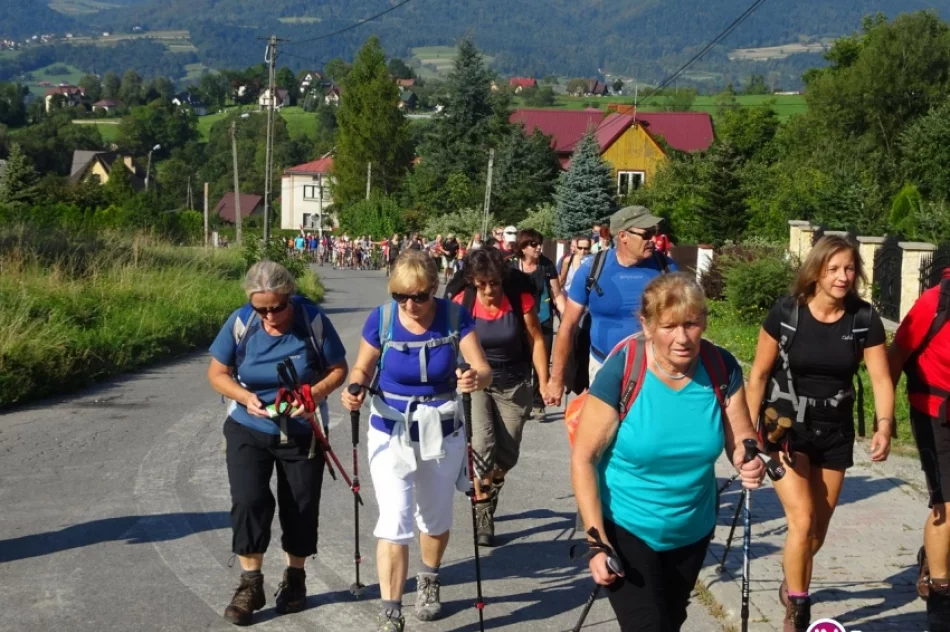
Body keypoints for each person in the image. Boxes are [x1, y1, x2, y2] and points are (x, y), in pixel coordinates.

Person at [572, 272, 765, 631]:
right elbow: (584, 458)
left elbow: (742, 438)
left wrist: (748, 460)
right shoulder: (623, 371)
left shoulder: (721, 368)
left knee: (670, 622)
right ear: (646, 326)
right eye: (669, 326)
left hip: (691, 529)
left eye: (691, 324)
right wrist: (596, 541)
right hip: (626, 526)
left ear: (704, 322)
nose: (682, 338)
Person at [745, 235, 893, 632]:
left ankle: (792, 580)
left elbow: (880, 379)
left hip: (836, 430)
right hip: (786, 429)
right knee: (803, 519)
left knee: (817, 532)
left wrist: (884, 426)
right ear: (816, 271)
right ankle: (798, 609)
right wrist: (749, 435)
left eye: (849, 269)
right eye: (833, 269)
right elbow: (758, 374)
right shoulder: (787, 313)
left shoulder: (863, 318)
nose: (843, 277)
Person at [341, 250, 492, 632]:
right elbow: (363, 365)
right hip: (390, 429)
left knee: (436, 517)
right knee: (394, 519)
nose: (410, 305)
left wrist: (474, 378)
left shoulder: (455, 317)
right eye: (401, 296)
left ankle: (429, 577)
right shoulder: (383, 319)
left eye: (419, 297)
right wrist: (354, 387)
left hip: (440, 430)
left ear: (435, 288)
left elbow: (483, 369)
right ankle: (391, 611)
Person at [206, 261, 348, 626]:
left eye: (277, 307)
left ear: (290, 297)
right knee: (249, 501)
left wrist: (313, 395)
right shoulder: (242, 322)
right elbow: (216, 373)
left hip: (301, 430)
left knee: (299, 505)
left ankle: (295, 579)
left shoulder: (312, 321)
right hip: (248, 426)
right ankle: (250, 585)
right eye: (261, 309)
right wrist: (242, 395)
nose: (269, 316)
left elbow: (339, 369)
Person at [452, 248, 550, 546]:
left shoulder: (519, 299)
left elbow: (536, 339)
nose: (489, 290)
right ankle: (483, 511)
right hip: (478, 382)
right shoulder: (462, 303)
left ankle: (492, 486)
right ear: (472, 282)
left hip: (514, 381)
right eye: (482, 284)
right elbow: (450, 344)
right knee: (481, 446)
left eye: (494, 282)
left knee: (507, 454)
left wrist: (543, 383)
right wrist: (456, 373)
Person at [546, 206, 676, 406]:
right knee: (603, 433)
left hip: (655, 368)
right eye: (647, 234)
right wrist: (556, 379)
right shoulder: (592, 269)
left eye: (655, 233)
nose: (654, 239)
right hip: (603, 366)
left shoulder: (667, 268)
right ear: (623, 236)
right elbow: (567, 325)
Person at [888, 268, 950, 632]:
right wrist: (885, 417)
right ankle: (941, 600)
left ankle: (933, 555)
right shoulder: (936, 301)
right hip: (935, 413)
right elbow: (896, 355)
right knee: (946, 504)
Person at [511, 228, 565, 417]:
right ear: (523, 247)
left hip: (543, 321)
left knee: (541, 364)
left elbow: (557, 295)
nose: (539, 247)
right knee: (522, 363)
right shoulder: (512, 266)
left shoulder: (546, 265)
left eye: (539, 243)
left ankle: (538, 402)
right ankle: (522, 401)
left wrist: (566, 320)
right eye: (533, 244)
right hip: (519, 322)